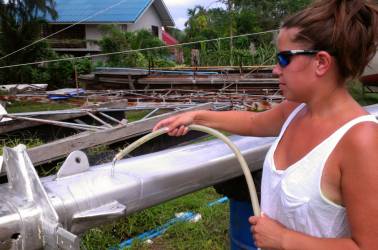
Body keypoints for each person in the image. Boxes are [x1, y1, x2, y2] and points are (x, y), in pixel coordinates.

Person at [153, 0, 378, 249]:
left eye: (283, 59)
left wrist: (284, 240)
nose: (275, 70)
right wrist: (196, 117)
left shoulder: (360, 140)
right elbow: (253, 121)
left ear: (321, 62)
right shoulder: (298, 110)